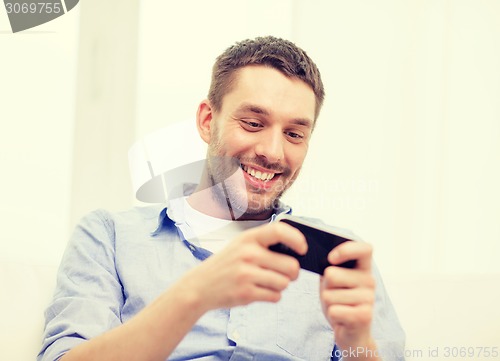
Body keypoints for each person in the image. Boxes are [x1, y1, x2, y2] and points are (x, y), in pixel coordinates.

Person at [38, 36, 405, 361]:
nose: (273, 152)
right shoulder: (108, 237)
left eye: (294, 134)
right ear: (207, 120)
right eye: (253, 123)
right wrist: (196, 293)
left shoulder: (343, 259)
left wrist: (358, 342)